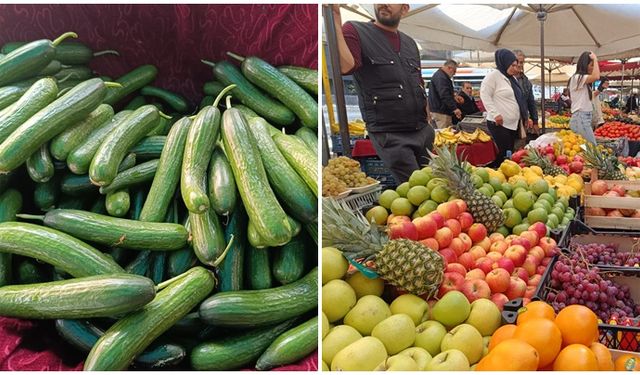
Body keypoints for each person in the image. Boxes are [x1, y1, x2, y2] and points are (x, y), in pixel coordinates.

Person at [330, 4, 435, 184]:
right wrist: (335, 17)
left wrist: (428, 121)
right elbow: (345, 66)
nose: (383, 3)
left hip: (422, 129)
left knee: (432, 185)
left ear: (404, 8)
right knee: (417, 189)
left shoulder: (409, 43)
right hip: (391, 133)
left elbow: (418, 81)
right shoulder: (355, 30)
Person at [480, 49, 528, 168]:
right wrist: (495, 114)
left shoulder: (512, 79)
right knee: (504, 152)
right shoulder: (493, 76)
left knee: (509, 151)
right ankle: (497, 172)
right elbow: (485, 95)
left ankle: (504, 171)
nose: (515, 68)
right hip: (499, 124)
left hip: (512, 124)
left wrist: (525, 116)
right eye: (512, 65)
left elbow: (519, 98)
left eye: (516, 65)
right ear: (504, 63)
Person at [568, 51, 599, 144]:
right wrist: (595, 59)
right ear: (585, 65)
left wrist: (600, 89)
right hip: (580, 118)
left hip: (582, 118)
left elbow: (589, 97)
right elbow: (596, 76)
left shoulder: (582, 81)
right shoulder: (577, 78)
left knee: (585, 150)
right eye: (591, 65)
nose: (593, 68)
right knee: (592, 148)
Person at [513, 50, 539, 145]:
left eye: (522, 62)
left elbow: (531, 103)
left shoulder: (526, 82)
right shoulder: (505, 79)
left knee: (520, 146)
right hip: (507, 120)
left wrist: (535, 121)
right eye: (518, 62)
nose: (520, 65)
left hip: (522, 122)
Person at [429, 60, 462, 128]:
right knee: (445, 135)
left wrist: (454, 96)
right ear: (449, 68)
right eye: (454, 71)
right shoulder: (441, 77)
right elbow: (444, 94)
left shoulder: (440, 75)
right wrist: (454, 108)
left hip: (438, 111)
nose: (454, 74)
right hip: (441, 113)